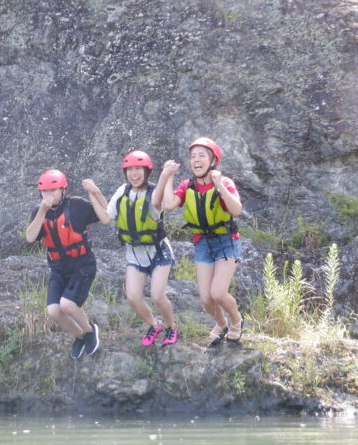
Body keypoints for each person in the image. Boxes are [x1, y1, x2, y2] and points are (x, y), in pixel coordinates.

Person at [153, 138, 244, 346]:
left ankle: (237, 320)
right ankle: (221, 324)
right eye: (193, 156)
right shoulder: (188, 185)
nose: (196, 159)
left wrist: (219, 184)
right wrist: (168, 177)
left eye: (202, 155)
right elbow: (168, 204)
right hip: (202, 242)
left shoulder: (225, 183)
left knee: (218, 292)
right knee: (206, 299)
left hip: (226, 240)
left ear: (213, 161)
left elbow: (236, 210)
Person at [87, 150, 178, 346]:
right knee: (133, 298)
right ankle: (154, 325)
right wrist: (92, 192)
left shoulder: (155, 192)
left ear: (146, 172)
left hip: (159, 252)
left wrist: (165, 175)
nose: (133, 174)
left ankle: (171, 327)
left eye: (138, 169)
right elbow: (106, 217)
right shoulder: (123, 191)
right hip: (135, 255)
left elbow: (156, 202)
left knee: (157, 296)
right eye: (129, 170)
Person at [24, 169, 107, 360]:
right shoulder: (39, 213)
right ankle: (79, 336)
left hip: (82, 265)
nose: (49, 195)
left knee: (68, 304)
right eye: (44, 191)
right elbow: (29, 238)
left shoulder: (76, 206)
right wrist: (42, 210)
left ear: (63, 191)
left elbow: (107, 213)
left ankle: (89, 330)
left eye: (53, 190)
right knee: (53, 311)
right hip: (58, 267)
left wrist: (95, 192)